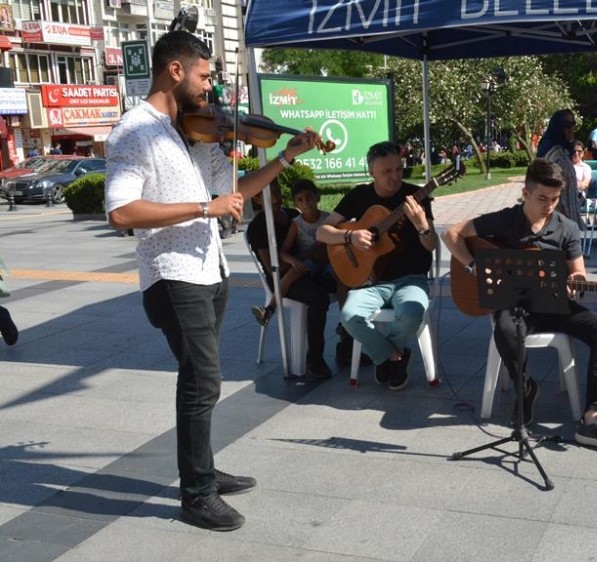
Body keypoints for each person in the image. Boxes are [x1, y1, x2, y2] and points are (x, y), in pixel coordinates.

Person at [104, 30, 320, 531]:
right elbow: (120, 211)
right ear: (174, 71)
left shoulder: (196, 131)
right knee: (202, 381)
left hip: (210, 271)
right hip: (172, 275)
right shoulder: (135, 130)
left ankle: (202, 467)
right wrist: (205, 207)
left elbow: (235, 190)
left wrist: (285, 157)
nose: (210, 90)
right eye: (203, 77)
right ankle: (196, 492)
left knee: (203, 381)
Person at [443, 159, 597, 451]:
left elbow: (578, 270)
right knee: (505, 329)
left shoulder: (566, 227)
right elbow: (451, 234)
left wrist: (576, 282)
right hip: (514, 305)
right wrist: (473, 267)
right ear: (526, 193)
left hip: (555, 305)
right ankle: (526, 388)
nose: (549, 206)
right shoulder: (504, 220)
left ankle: (593, 417)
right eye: (542, 198)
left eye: (555, 199)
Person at [316, 141, 435, 391]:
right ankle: (394, 357)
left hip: (410, 278)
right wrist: (350, 237)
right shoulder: (359, 196)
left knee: (412, 314)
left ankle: (384, 355)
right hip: (371, 281)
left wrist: (422, 224)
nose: (395, 177)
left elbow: (431, 245)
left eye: (399, 170)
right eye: (386, 172)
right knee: (349, 315)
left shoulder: (416, 197)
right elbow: (322, 232)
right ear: (371, 172)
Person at [246, 186, 335, 378]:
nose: (275, 196)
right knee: (318, 298)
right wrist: (303, 257)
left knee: (351, 284)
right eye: (267, 193)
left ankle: (348, 344)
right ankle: (315, 359)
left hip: (311, 268)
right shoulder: (259, 226)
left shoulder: (294, 215)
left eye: (275, 189)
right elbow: (272, 268)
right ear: (257, 198)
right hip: (282, 277)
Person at [536, 109, 582, 228]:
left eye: (573, 124)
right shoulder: (555, 155)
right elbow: (550, 192)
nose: (571, 128)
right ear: (557, 126)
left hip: (567, 222)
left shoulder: (563, 152)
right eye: (567, 125)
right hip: (558, 224)